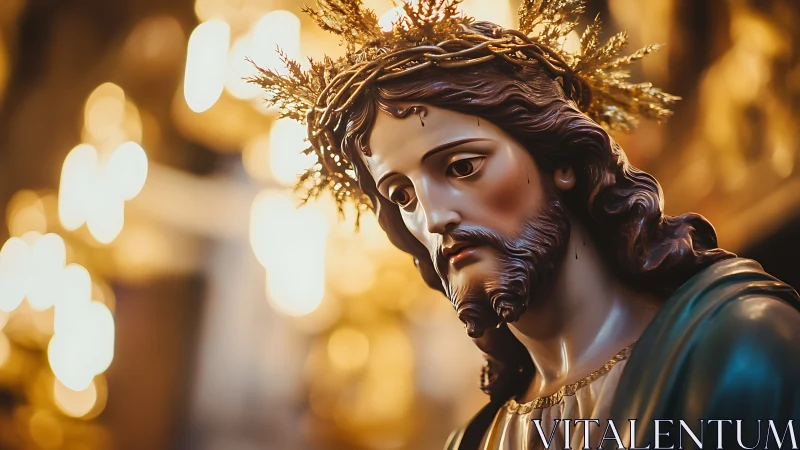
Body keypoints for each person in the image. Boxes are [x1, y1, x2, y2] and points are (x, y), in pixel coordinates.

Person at [252, 1, 800, 448]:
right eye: (402, 195)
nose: (434, 217)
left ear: (560, 160)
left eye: (463, 167)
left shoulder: (739, 346)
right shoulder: (476, 439)